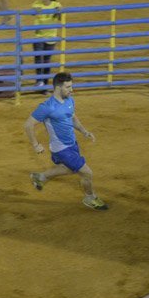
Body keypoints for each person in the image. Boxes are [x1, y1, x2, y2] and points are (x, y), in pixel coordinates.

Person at [24, 72, 108, 211]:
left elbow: (72, 118)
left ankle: (40, 177)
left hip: (72, 144)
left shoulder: (69, 100)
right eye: (68, 87)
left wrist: (84, 131)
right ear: (58, 87)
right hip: (61, 149)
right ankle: (90, 197)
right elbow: (28, 125)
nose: (71, 90)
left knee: (69, 169)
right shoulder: (47, 107)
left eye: (71, 86)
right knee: (87, 173)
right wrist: (35, 145)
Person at [31, 0, 61, 90]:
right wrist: (36, 10)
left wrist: (58, 11)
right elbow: (33, 10)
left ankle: (45, 85)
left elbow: (60, 14)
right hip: (39, 37)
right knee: (38, 59)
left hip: (51, 38)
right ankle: (39, 81)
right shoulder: (37, 4)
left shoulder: (56, 4)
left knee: (47, 61)